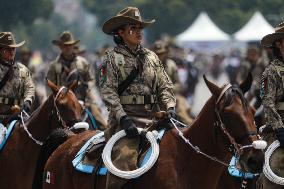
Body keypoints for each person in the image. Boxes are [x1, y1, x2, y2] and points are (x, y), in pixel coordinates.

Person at [100, 7, 176, 189]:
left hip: (154, 118)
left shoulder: (151, 57)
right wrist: (123, 119)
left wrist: (170, 108)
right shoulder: (111, 58)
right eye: (133, 28)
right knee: (124, 162)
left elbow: (165, 86)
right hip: (124, 122)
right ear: (121, 32)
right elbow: (108, 92)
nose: (139, 32)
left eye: (140, 28)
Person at [46, 31, 107, 130]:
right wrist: (55, 100)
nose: (68, 47)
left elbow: (91, 79)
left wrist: (88, 88)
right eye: (65, 45)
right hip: (62, 104)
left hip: (83, 101)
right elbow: (49, 85)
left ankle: (106, 134)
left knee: (99, 119)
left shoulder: (82, 62)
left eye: (70, 45)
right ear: (60, 47)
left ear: (73, 46)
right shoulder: (54, 65)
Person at [257, 21, 284, 188]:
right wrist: (280, 129)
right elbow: (268, 103)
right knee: (270, 169)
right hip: (279, 130)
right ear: (279, 44)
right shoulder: (271, 71)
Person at [0, 32, 35, 138]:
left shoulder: (22, 69)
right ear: (0, 50)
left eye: (13, 49)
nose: (12, 52)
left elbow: (30, 87)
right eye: (8, 49)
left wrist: (28, 100)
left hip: (18, 116)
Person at [153, 40, 193, 125]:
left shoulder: (171, 65)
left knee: (182, 106)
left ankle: (189, 125)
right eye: (157, 53)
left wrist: (170, 89)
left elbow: (179, 84)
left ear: (165, 53)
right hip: (155, 98)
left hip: (171, 96)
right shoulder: (149, 65)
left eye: (161, 53)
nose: (159, 56)